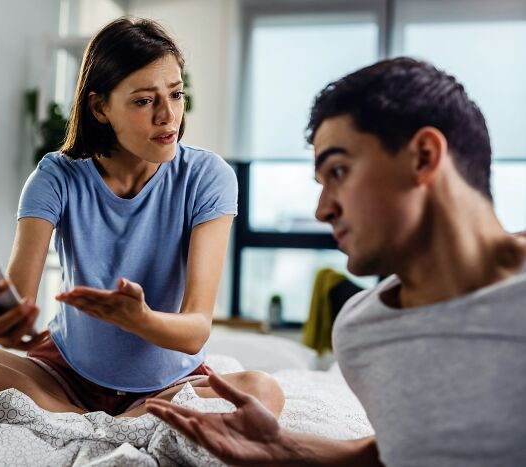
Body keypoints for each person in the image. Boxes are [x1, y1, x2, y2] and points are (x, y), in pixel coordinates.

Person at [0, 17, 284, 418]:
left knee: (262, 391)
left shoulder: (208, 177)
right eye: (145, 100)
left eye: (177, 95)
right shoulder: (55, 175)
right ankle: (99, 420)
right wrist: (2, 320)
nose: (168, 116)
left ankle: (72, 417)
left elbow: (196, 328)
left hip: (169, 384)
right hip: (63, 374)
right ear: (99, 107)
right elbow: (20, 307)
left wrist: (140, 319)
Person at [147, 57, 526, 466]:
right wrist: (285, 449)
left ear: (423, 156)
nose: (322, 211)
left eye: (339, 171)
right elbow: (406, 453)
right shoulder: (362, 331)